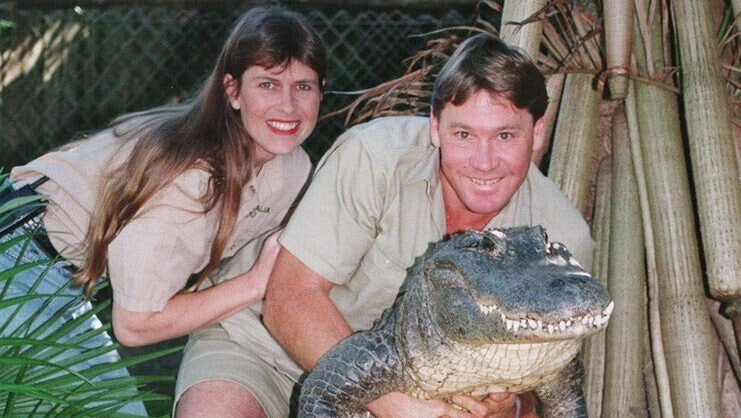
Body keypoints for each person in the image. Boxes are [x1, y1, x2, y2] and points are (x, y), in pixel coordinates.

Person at [177, 33, 594, 417]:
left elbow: (546, 391)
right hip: (262, 350)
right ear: (435, 127)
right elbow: (289, 299)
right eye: (464, 134)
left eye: (505, 136)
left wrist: (510, 407)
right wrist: (392, 405)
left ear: (537, 133)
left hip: (422, 386)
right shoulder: (374, 158)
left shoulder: (561, 237)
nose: (483, 162)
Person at [2, 5, 324, 416]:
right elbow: (135, 324)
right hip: (16, 256)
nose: (288, 106)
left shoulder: (289, 166)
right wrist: (254, 283)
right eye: (267, 84)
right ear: (232, 91)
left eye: (303, 86)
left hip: (56, 274)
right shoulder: (194, 178)